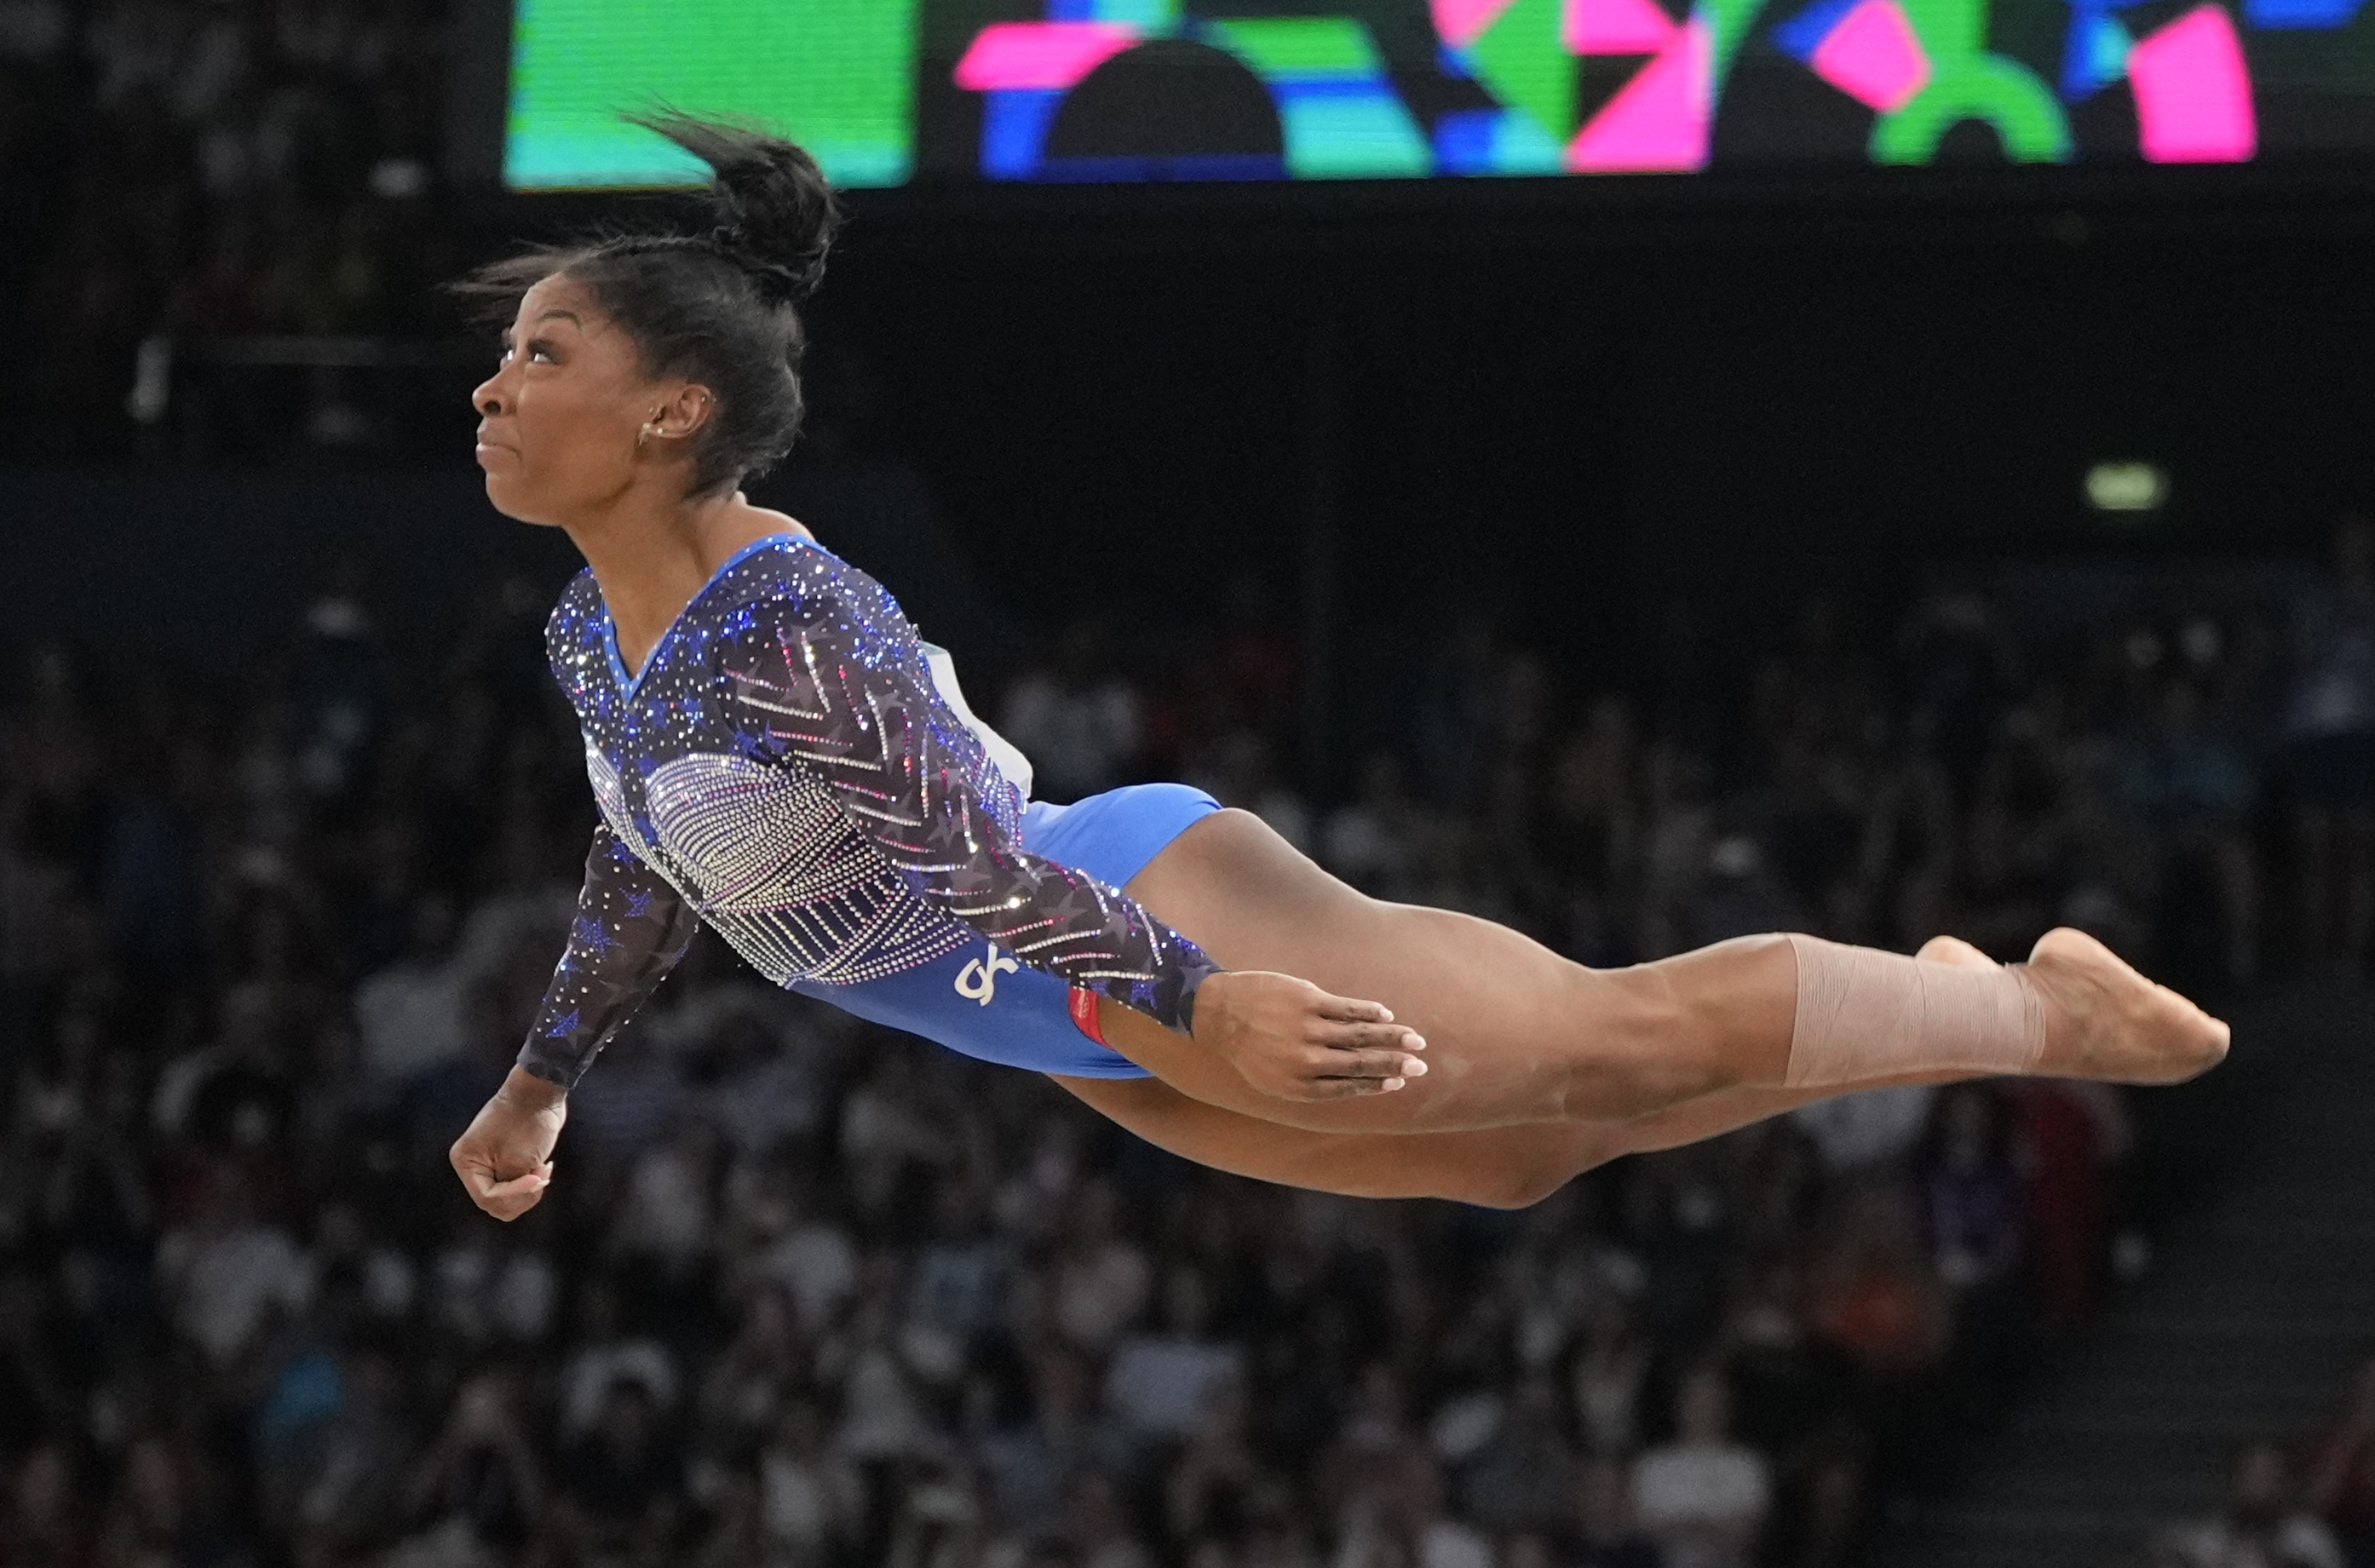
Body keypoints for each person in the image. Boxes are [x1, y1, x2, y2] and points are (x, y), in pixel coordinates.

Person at [445, 114, 2229, 1221]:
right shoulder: (594, 629)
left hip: (1118, 919)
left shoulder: (782, 623)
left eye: (542, 352)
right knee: (1518, 1152)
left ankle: (2028, 1008)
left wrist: (1201, 992)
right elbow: (655, 848)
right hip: (1050, 1012)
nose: (491, 387)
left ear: (672, 408)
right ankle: (1920, 997)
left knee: (1606, 1041)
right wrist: (547, 1070)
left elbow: (963, 860)